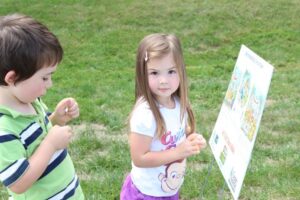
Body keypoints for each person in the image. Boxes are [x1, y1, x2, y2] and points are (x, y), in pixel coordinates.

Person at [0, 14, 84, 199]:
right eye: (45, 77)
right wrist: (51, 144)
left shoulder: (30, 101)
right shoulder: (3, 129)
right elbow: (18, 183)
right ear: (12, 78)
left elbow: (35, 137)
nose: (50, 84)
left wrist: (56, 119)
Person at [120, 33, 207, 200]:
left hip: (167, 189)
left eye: (171, 71)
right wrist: (178, 152)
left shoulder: (177, 102)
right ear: (142, 74)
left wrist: (190, 137)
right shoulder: (145, 115)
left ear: (181, 70)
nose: (163, 80)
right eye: (154, 73)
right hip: (147, 193)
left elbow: (175, 131)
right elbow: (139, 158)